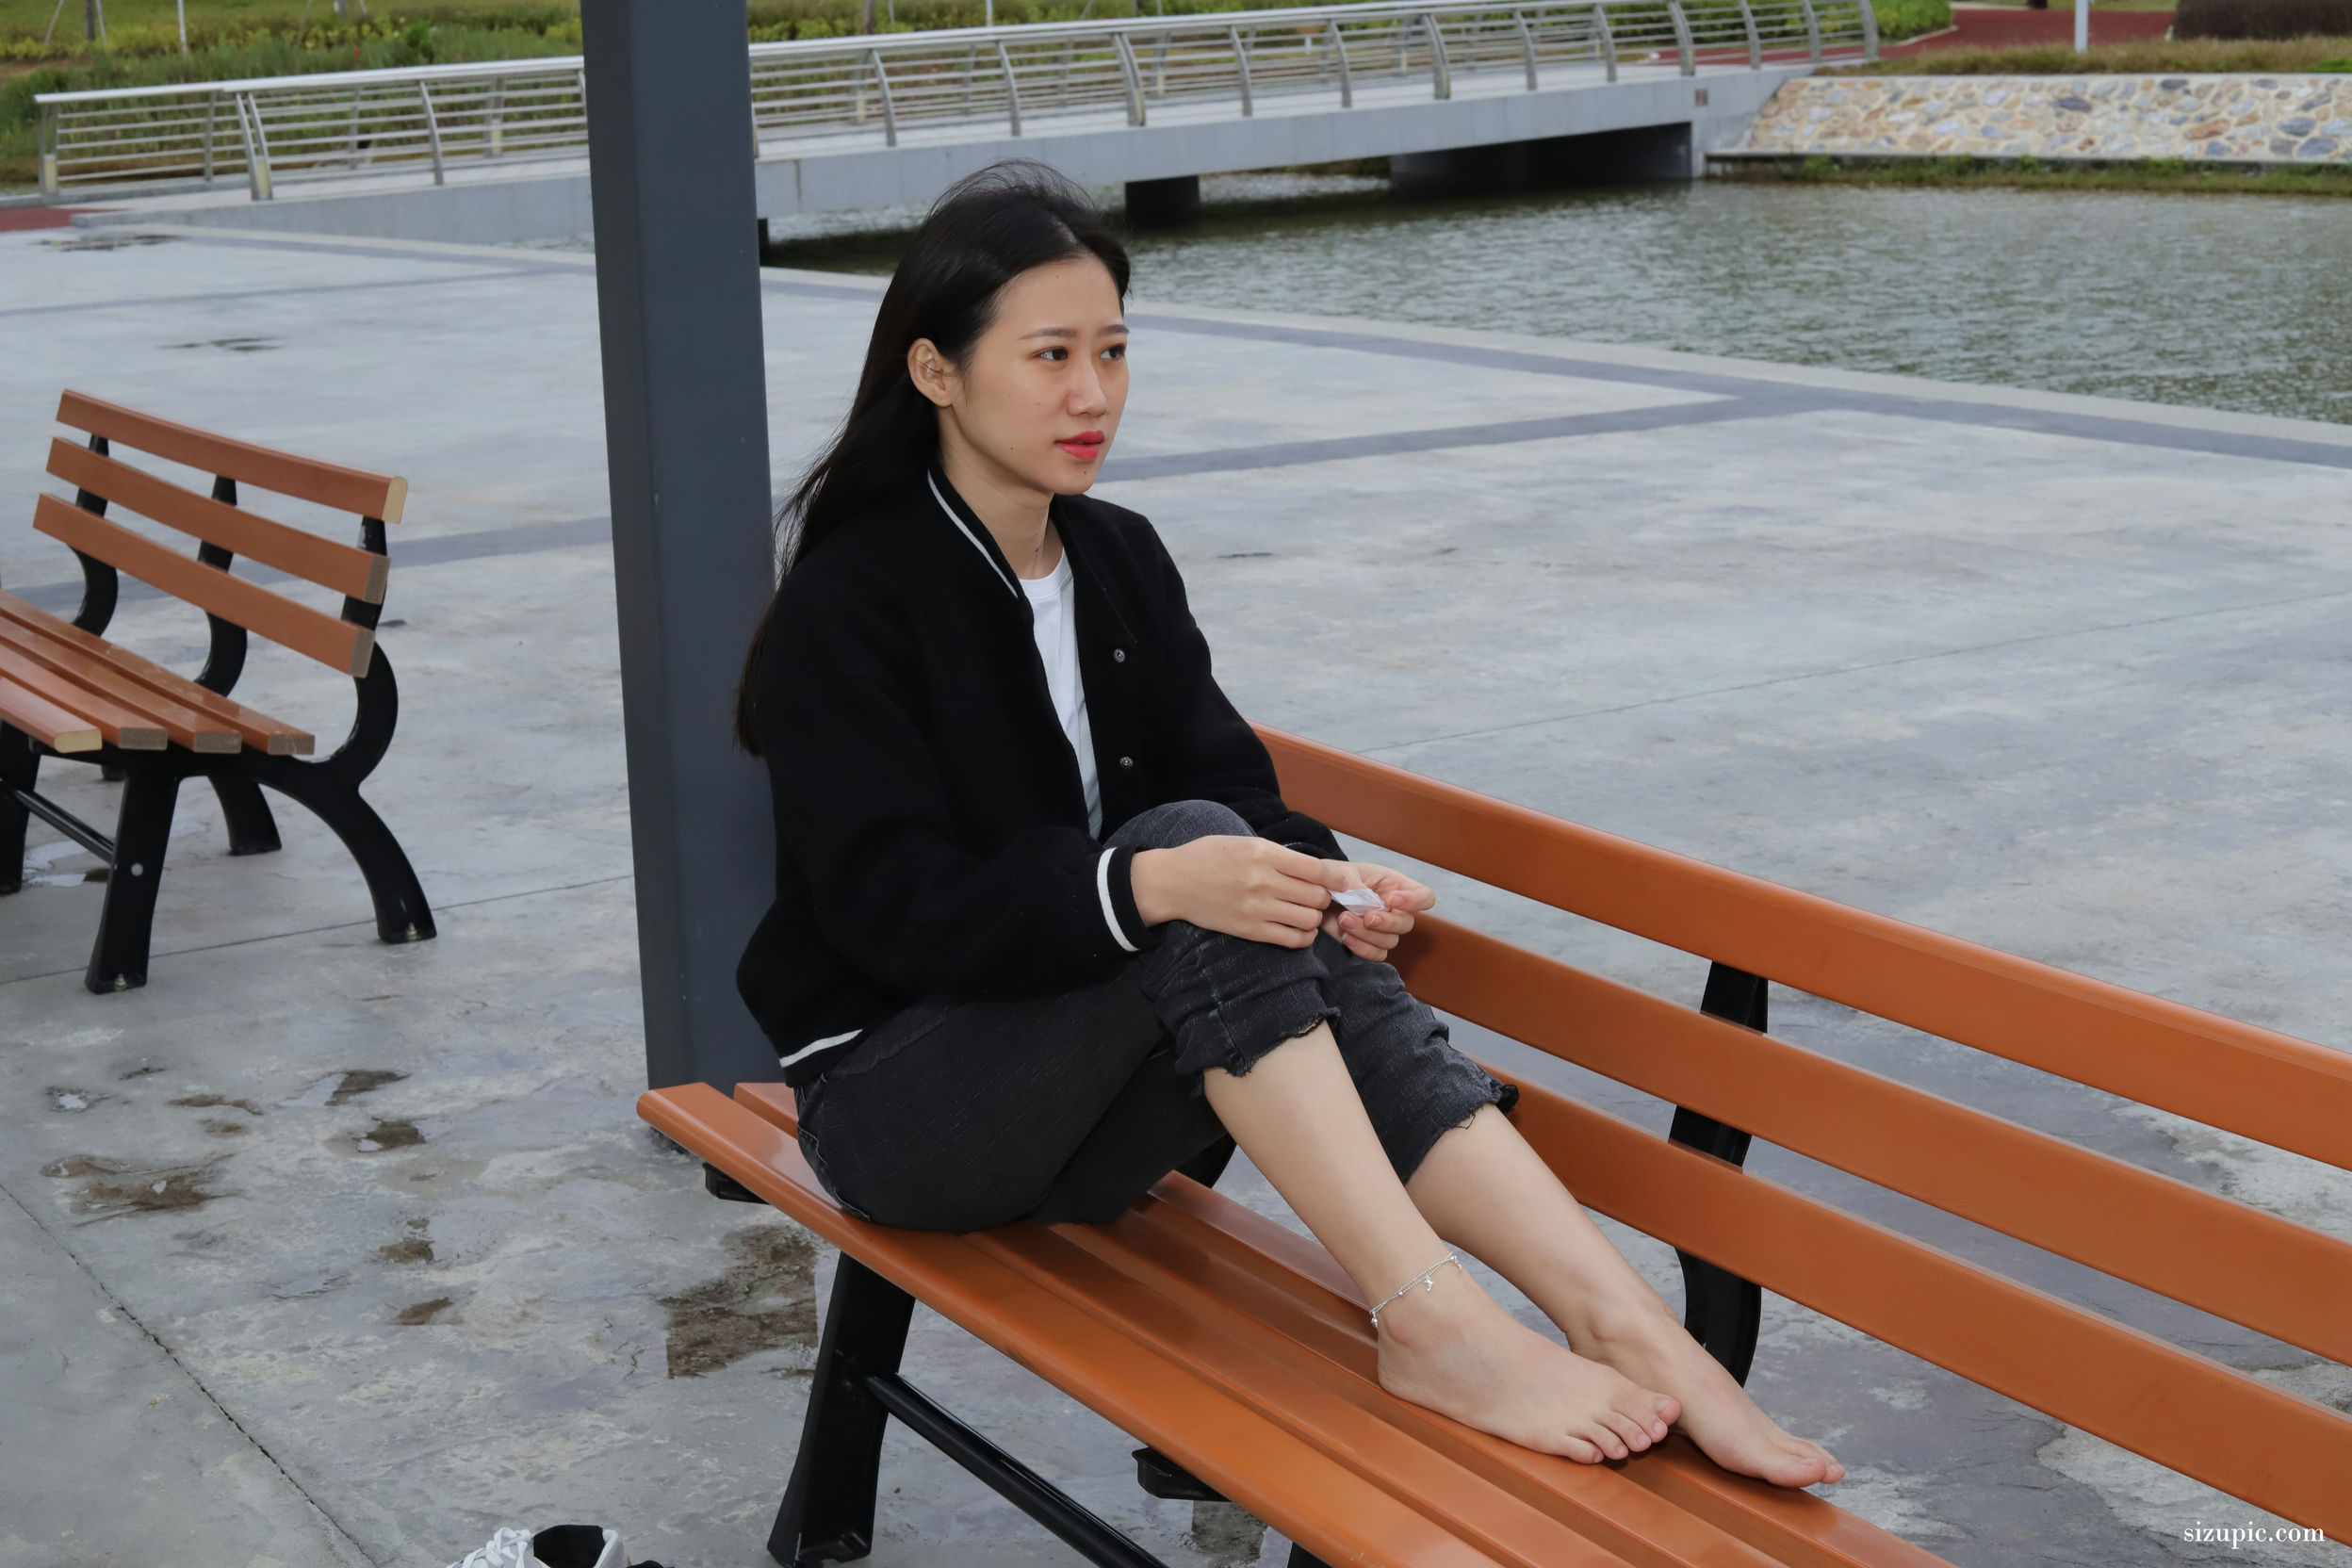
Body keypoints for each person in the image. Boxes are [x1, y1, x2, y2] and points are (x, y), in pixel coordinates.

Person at [733, 161, 1843, 1486]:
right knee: (1191, 870)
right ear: (937, 372)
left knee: (1243, 880)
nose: (1093, 395)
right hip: (901, 1113)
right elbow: (889, 906)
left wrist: (1331, 888)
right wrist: (1155, 886)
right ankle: (1432, 1323)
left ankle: (1630, 1327)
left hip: (1085, 1119)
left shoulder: (1117, 558)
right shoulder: (853, 602)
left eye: (1113, 351)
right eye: (1050, 356)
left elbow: (1230, 787)